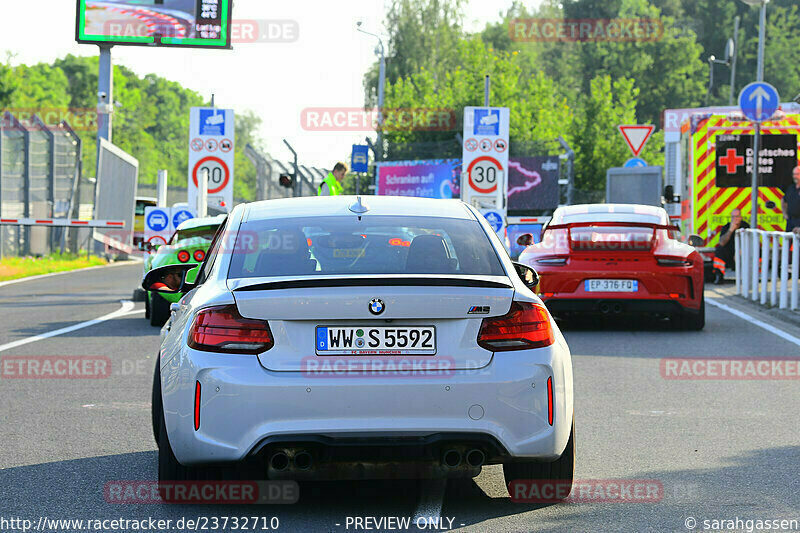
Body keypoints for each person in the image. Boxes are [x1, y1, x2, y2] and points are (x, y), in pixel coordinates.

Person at [713, 208, 749, 283]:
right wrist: (731, 230)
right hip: (729, 254)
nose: (735, 219)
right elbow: (722, 243)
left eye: (737, 216)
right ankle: (719, 276)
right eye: (733, 217)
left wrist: (741, 250)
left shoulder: (746, 226)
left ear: (741, 217)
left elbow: (750, 242)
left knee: (758, 250)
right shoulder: (727, 227)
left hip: (743, 252)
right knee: (719, 250)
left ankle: (757, 275)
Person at [781, 166, 800, 233]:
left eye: (797, 174)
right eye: (793, 174)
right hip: (791, 221)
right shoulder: (791, 188)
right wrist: (785, 214)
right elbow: (784, 200)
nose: (795, 176)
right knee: (788, 241)